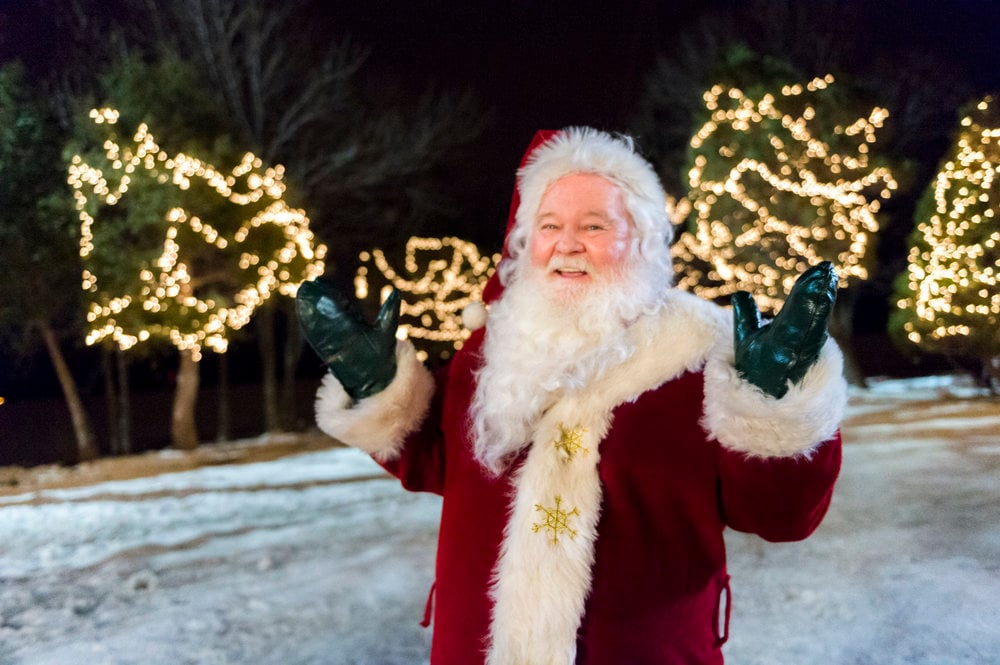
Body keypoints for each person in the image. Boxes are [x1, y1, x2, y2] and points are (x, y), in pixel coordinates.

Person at [295, 127, 847, 665]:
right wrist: (381, 394)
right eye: (549, 225)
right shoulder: (491, 350)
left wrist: (774, 408)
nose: (567, 244)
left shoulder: (706, 357)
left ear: (643, 239)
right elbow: (444, 464)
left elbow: (782, 516)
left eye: (595, 225)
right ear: (525, 243)